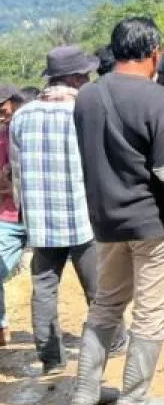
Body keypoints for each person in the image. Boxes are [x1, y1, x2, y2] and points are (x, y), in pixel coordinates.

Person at [71, 17, 164, 405]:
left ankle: (85, 392)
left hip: (107, 224)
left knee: (105, 306)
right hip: (154, 226)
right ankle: (135, 397)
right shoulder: (159, 102)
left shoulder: (87, 97)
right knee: (150, 315)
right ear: (155, 53)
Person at [7, 47, 112, 375]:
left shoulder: (22, 115)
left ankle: (51, 359)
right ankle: (111, 343)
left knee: (44, 286)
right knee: (98, 287)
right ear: (75, 78)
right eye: (85, 75)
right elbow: (100, 164)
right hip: (82, 215)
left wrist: (24, 212)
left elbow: (16, 170)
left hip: (41, 219)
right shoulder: (84, 109)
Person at [0, 84, 30, 348]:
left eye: (3, 109)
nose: (2, 115)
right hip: (8, 215)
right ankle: (2, 327)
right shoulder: (0, 138)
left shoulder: (32, 130)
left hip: (39, 213)